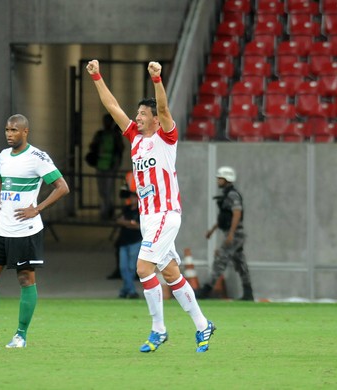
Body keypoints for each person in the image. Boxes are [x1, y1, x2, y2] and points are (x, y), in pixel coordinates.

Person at [87, 59, 216, 353]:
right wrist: (97, 76)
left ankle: (158, 329)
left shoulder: (166, 136)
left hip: (166, 214)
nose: (138, 117)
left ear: (156, 118)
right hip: (148, 218)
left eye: (144, 113)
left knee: (142, 266)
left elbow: (165, 109)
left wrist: (157, 81)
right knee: (170, 274)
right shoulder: (134, 138)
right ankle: (202, 324)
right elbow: (113, 107)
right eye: (138, 113)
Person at [0, 114, 69, 349]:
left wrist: (38, 208)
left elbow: (62, 187)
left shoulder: (38, 157)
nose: (9, 134)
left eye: (14, 130)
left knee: (25, 279)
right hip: (1, 228)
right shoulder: (3, 155)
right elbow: (2, 179)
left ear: (25, 132)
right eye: (6, 130)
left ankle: (20, 335)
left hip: (26, 229)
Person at [197, 166, 254, 301]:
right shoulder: (227, 195)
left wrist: (231, 234)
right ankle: (248, 292)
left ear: (227, 179)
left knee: (220, 260)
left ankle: (206, 290)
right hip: (233, 233)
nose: (218, 181)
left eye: (220, 178)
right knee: (240, 263)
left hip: (235, 234)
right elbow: (224, 217)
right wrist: (213, 229)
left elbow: (236, 214)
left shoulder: (232, 195)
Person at [89, 113, 124, 220]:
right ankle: (105, 210)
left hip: (110, 166)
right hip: (100, 165)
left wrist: (116, 164)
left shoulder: (115, 135)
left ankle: (108, 211)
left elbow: (120, 149)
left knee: (108, 190)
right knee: (102, 190)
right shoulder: (100, 134)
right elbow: (92, 146)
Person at [115, 186, 141, 299]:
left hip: (135, 241)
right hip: (124, 241)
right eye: (131, 197)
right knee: (123, 268)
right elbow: (119, 220)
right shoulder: (126, 209)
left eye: (135, 197)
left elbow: (139, 226)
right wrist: (130, 223)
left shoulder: (141, 211)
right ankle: (130, 290)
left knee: (131, 268)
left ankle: (126, 290)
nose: (133, 199)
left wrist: (127, 223)